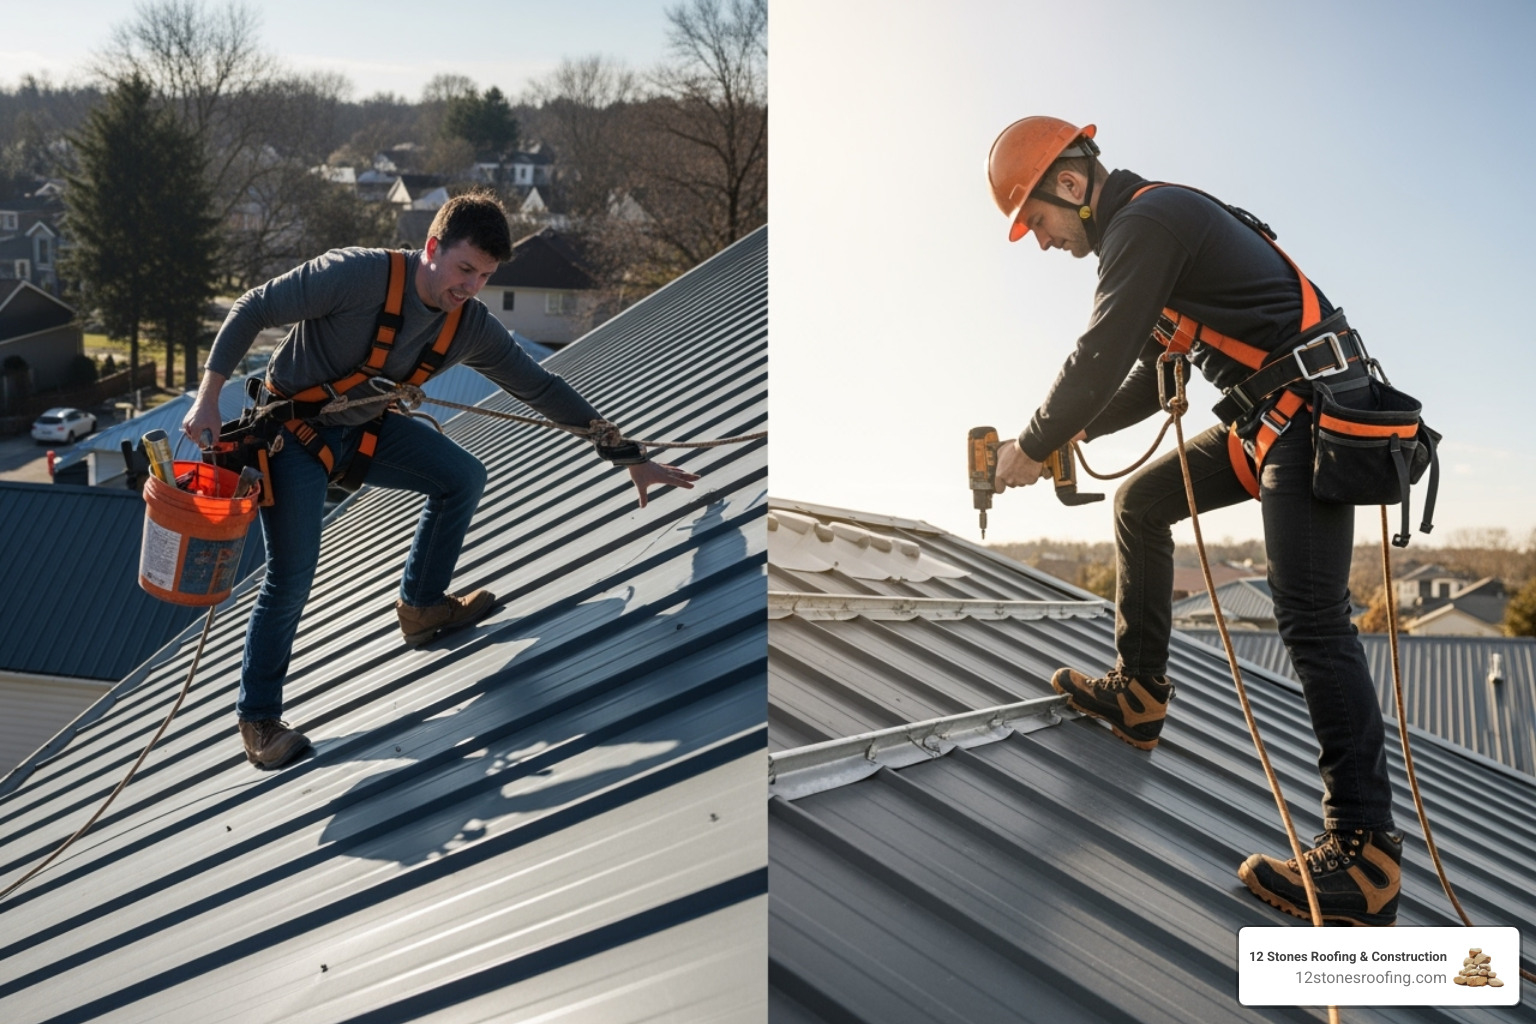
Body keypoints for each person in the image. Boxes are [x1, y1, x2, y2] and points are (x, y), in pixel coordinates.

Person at [985, 116, 1402, 926]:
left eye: (1036, 221)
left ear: (1070, 185)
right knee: (1139, 503)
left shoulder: (1144, 223)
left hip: (1311, 416)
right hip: (1272, 417)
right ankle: (1139, 691)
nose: (1039, 242)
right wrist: (1067, 436)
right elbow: (1146, 375)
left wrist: (1032, 445)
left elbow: (1099, 353)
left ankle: (1367, 852)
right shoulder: (1148, 227)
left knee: (1311, 619)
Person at [183, 189, 698, 771]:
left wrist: (627, 455)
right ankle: (258, 719)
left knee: (461, 476)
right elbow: (252, 306)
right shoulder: (354, 276)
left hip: (363, 431)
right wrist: (207, 399)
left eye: (484, 275)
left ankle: (422, 608)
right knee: (293, 573)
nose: (471, 286)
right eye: (464, 269)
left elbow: (539, 387)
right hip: (291, 438)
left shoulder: (468, 327)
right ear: (432, 248)